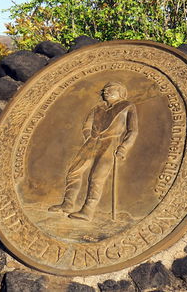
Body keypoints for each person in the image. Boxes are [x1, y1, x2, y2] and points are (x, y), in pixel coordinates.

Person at [48, 81, 138, 221]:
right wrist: (89, 137)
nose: (105, 92)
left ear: (120, 91)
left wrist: (123, 148)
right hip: (92, 142)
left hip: (110, 143)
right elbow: (87, 126)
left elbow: (132, 131)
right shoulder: (97, 108)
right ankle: (67, 204)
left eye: (109, 89)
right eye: (104, 90)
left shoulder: (127, 106)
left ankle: (88, 211)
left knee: (97, 177)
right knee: (74, 171)